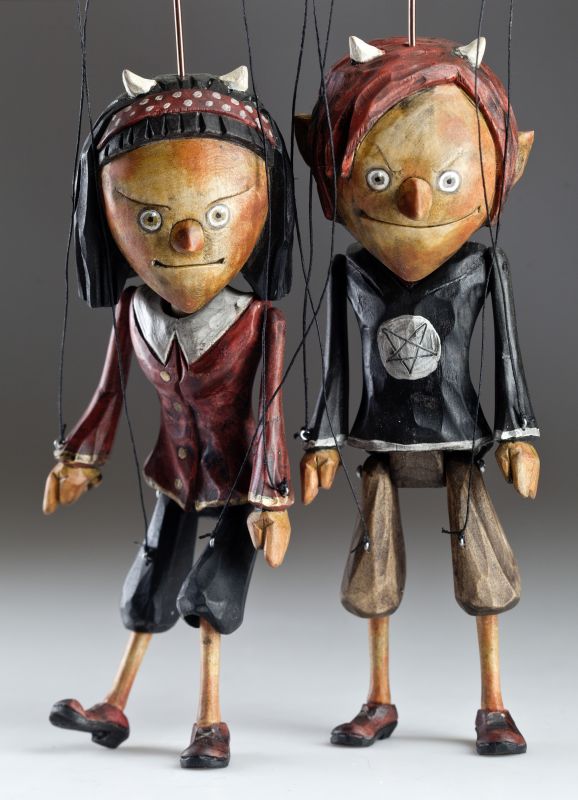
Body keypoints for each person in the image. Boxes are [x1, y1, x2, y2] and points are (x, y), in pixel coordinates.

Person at [43, 67, 294, 769]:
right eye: (150, 218)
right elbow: (110, 393)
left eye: (215, 216)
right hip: (175, 473)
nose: (185, 242)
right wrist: (82, 458)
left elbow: (269, 413)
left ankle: (211, 720)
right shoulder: (135, 311)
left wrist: (273, 497)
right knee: (153, 576)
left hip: (239, 484)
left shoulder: (258, 322)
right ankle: (115, 700)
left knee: (210, 595)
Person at [296, 35, 539, 756]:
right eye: (380, 177)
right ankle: (378, 698)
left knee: (483, 567)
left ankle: (494, 703)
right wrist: (323, 440)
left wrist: (518, 433)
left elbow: (507, 355)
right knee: (374, 567)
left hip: (461, 438)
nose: (415, 199)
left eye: (447, 177)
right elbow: (336, 365)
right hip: (379, 437)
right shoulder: (352, 274)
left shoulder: (481, 269)